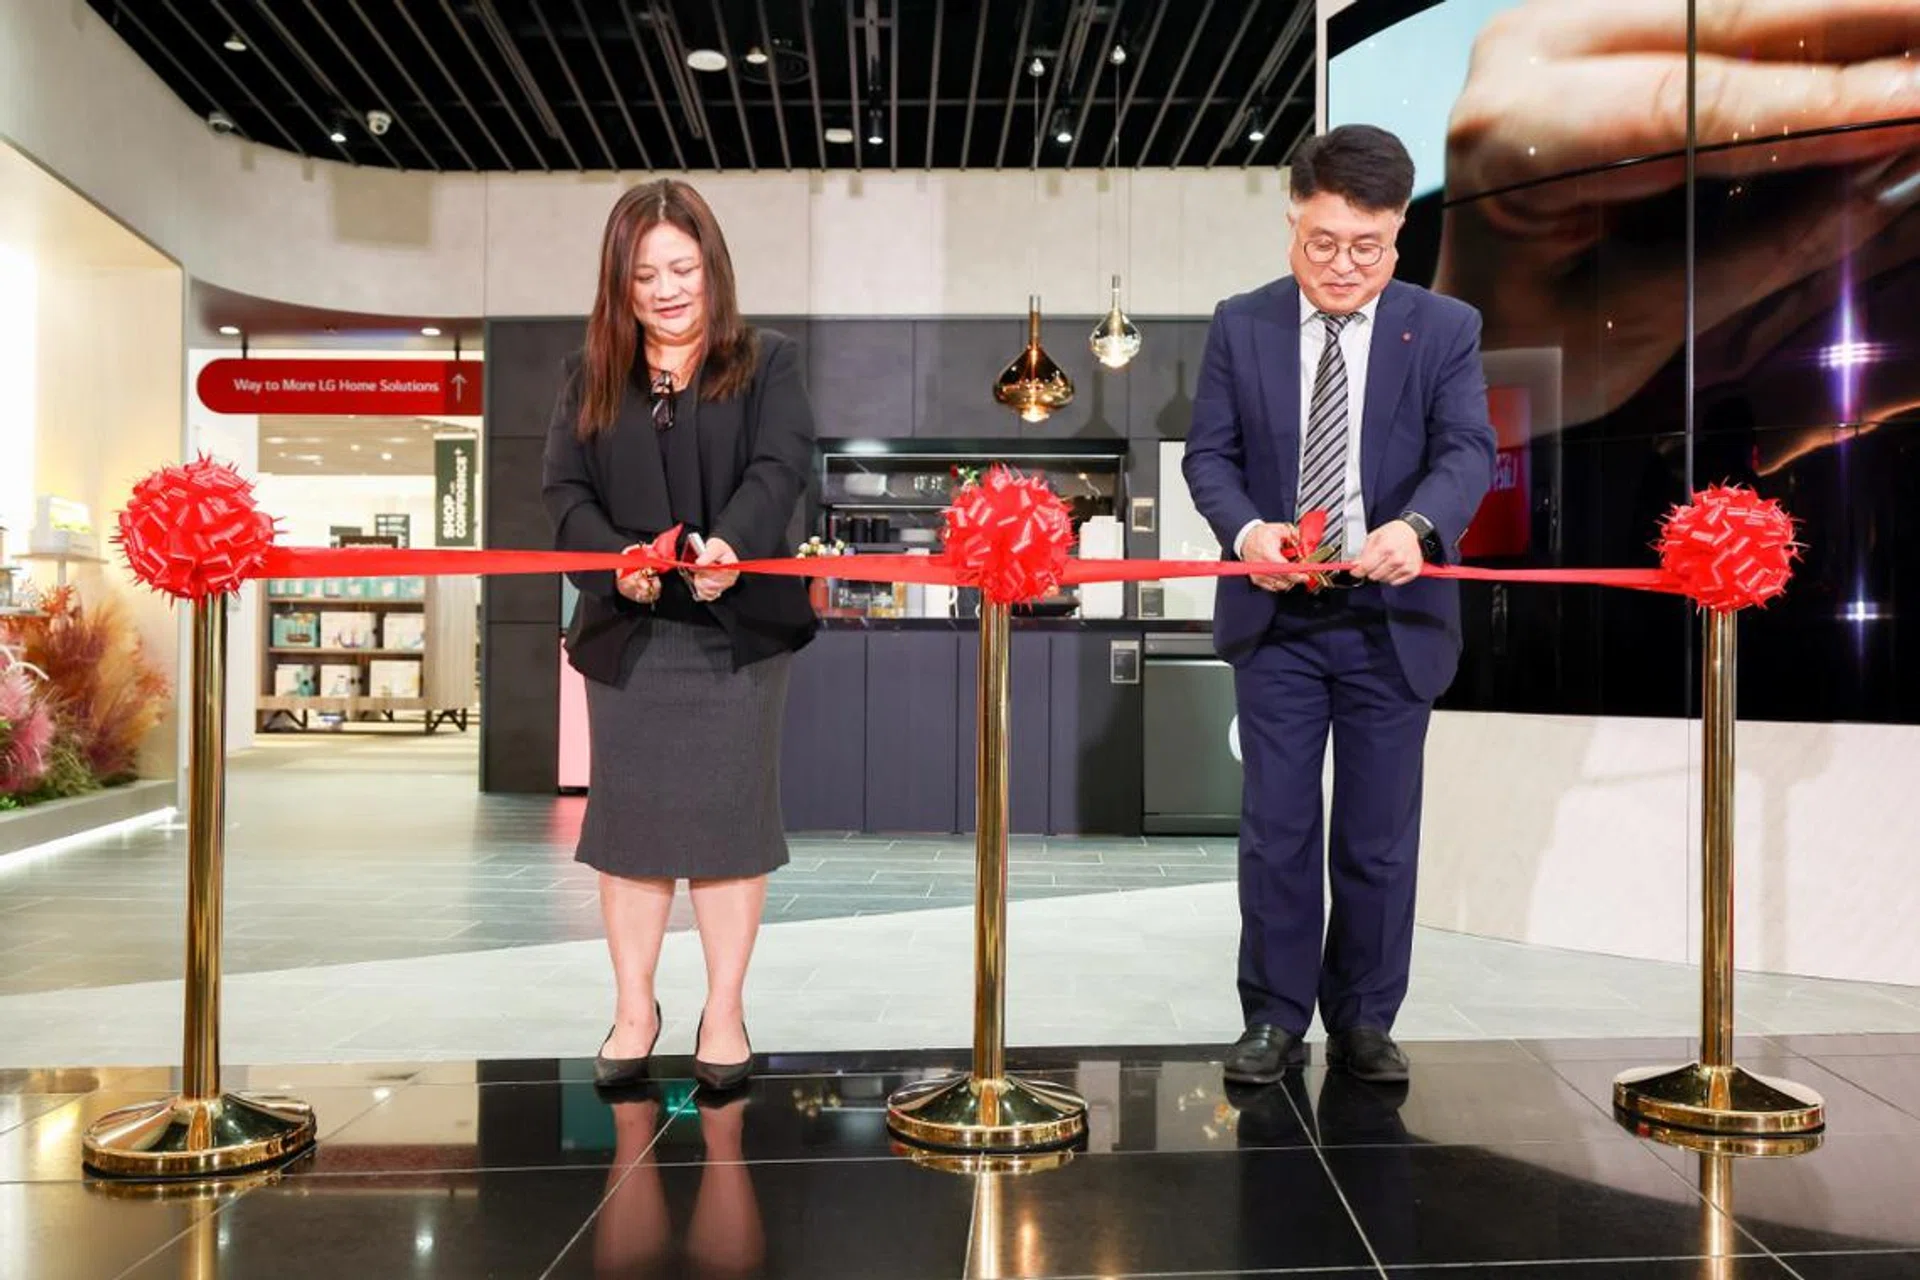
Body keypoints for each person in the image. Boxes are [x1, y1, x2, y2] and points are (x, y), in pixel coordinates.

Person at [1183, 125, 1496, 1085]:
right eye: (1322, 242)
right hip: (1280, 617)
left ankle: (1364, 1017)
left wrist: (1421, 528)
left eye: (1367, 247)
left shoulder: (1443, 329)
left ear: (1399, 234)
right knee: (1276, 828)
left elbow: (1467, 451)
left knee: (1377, 835)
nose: (1342, 266)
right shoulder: (1245, 323)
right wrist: (1247, 535)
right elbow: (1211, 456)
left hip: (1389, 616)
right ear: (1292, 220)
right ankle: (1273, 1017)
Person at [542, 178, 816, 1092]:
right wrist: (616, 558)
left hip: (735, 633)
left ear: (712, 269)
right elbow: (564, 496)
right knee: (631, 828)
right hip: (629, 633)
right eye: (645, 274)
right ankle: (634, 1008)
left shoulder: (766, 359)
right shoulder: (591, 374)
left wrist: (732, 546)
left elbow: (782, 467)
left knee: (731, 826)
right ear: (618, 284)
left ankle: (725, 1009)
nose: (665, 289)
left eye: (682, 269)